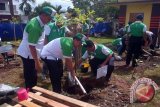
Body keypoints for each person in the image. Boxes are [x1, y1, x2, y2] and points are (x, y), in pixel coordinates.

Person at [17, 6, 56, 90]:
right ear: (44, 15)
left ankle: (32, 89)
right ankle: (29, 91)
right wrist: (37, 62)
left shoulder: (41, 22)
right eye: (49, 18)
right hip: (28, 54)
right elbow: (31, 46)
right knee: (30, 74)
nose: (50, 20)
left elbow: (40, 39)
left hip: (32, 53)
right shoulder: (35, 27)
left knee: (33, 73)